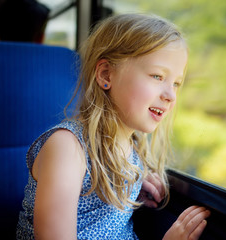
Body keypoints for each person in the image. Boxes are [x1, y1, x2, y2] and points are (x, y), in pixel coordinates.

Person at [16, 13, 210, 240]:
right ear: (106, 74)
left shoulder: (132, 148)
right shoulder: (68, 148)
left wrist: (134, 189)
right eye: (157, 76)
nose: (170, 95)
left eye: (176, 83)